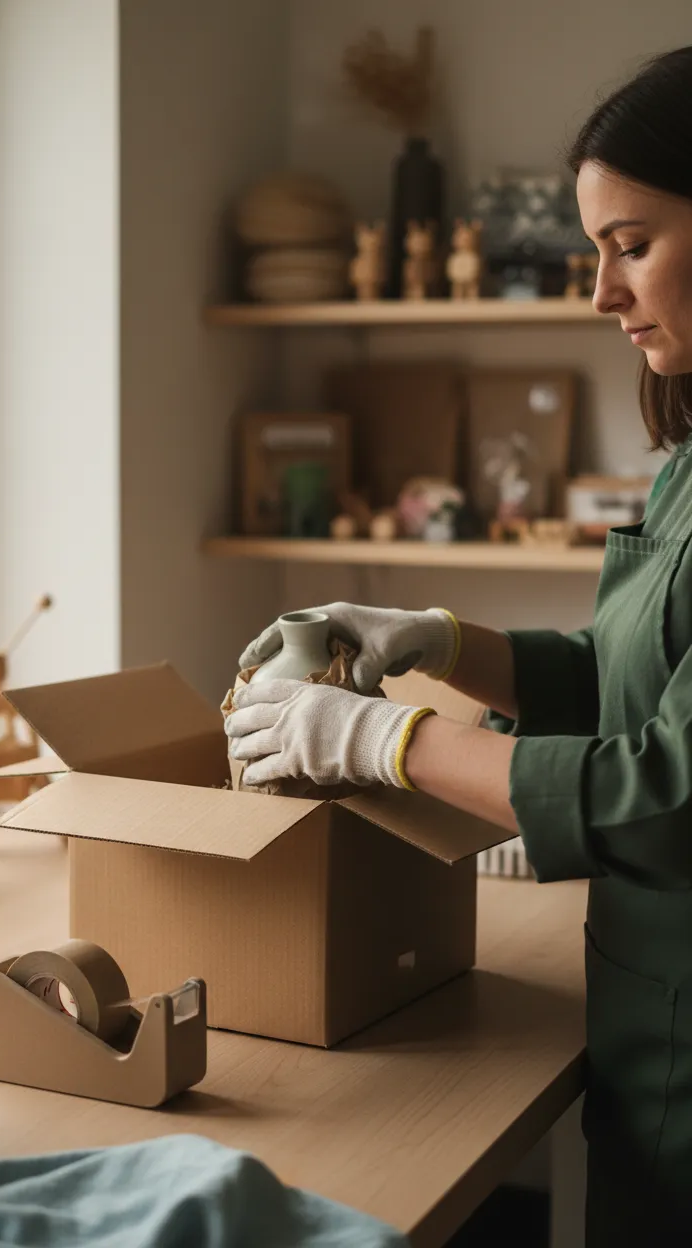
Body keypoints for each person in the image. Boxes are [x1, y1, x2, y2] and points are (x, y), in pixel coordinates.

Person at [225, 47, 692, 1248]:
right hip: (650, 1032)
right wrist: (438, 639)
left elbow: (659, 790)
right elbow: (623, 676)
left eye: (630, 245)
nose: (599, 291)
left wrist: (384, 739)